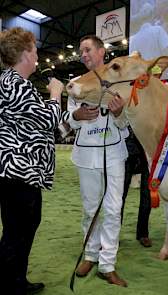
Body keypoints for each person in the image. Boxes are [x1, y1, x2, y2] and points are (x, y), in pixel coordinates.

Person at [0, 27, 64, 295]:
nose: (37, 56)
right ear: (25, 53)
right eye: (35, 51)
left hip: (20, 173)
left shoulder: (15, 83)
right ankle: (8, 284)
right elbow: (49, 119)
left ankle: (16, 280)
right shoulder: (13, 83)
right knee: (17, 232)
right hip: (18, 172)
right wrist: (56, 93)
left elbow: (39, 125)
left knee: (21, 229)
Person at [64, 35, 128, 287]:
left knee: (113, 209)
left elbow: (125, 123)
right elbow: (67, 122)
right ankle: (90, 254)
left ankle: (107, 264)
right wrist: (77, 115)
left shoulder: (119, 81)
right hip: (85, 154)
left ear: (102, 52)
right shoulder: (75, 84)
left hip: (114, 155)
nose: (83, 54)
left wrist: (120, 112)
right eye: (81, 51)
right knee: (91, 209)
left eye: (88, 49)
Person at [121, 125, 152, 248]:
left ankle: (143, 234)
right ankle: (112, 234)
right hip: (126, 149)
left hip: (148, 150)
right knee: (119, 195)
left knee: (147, 195)